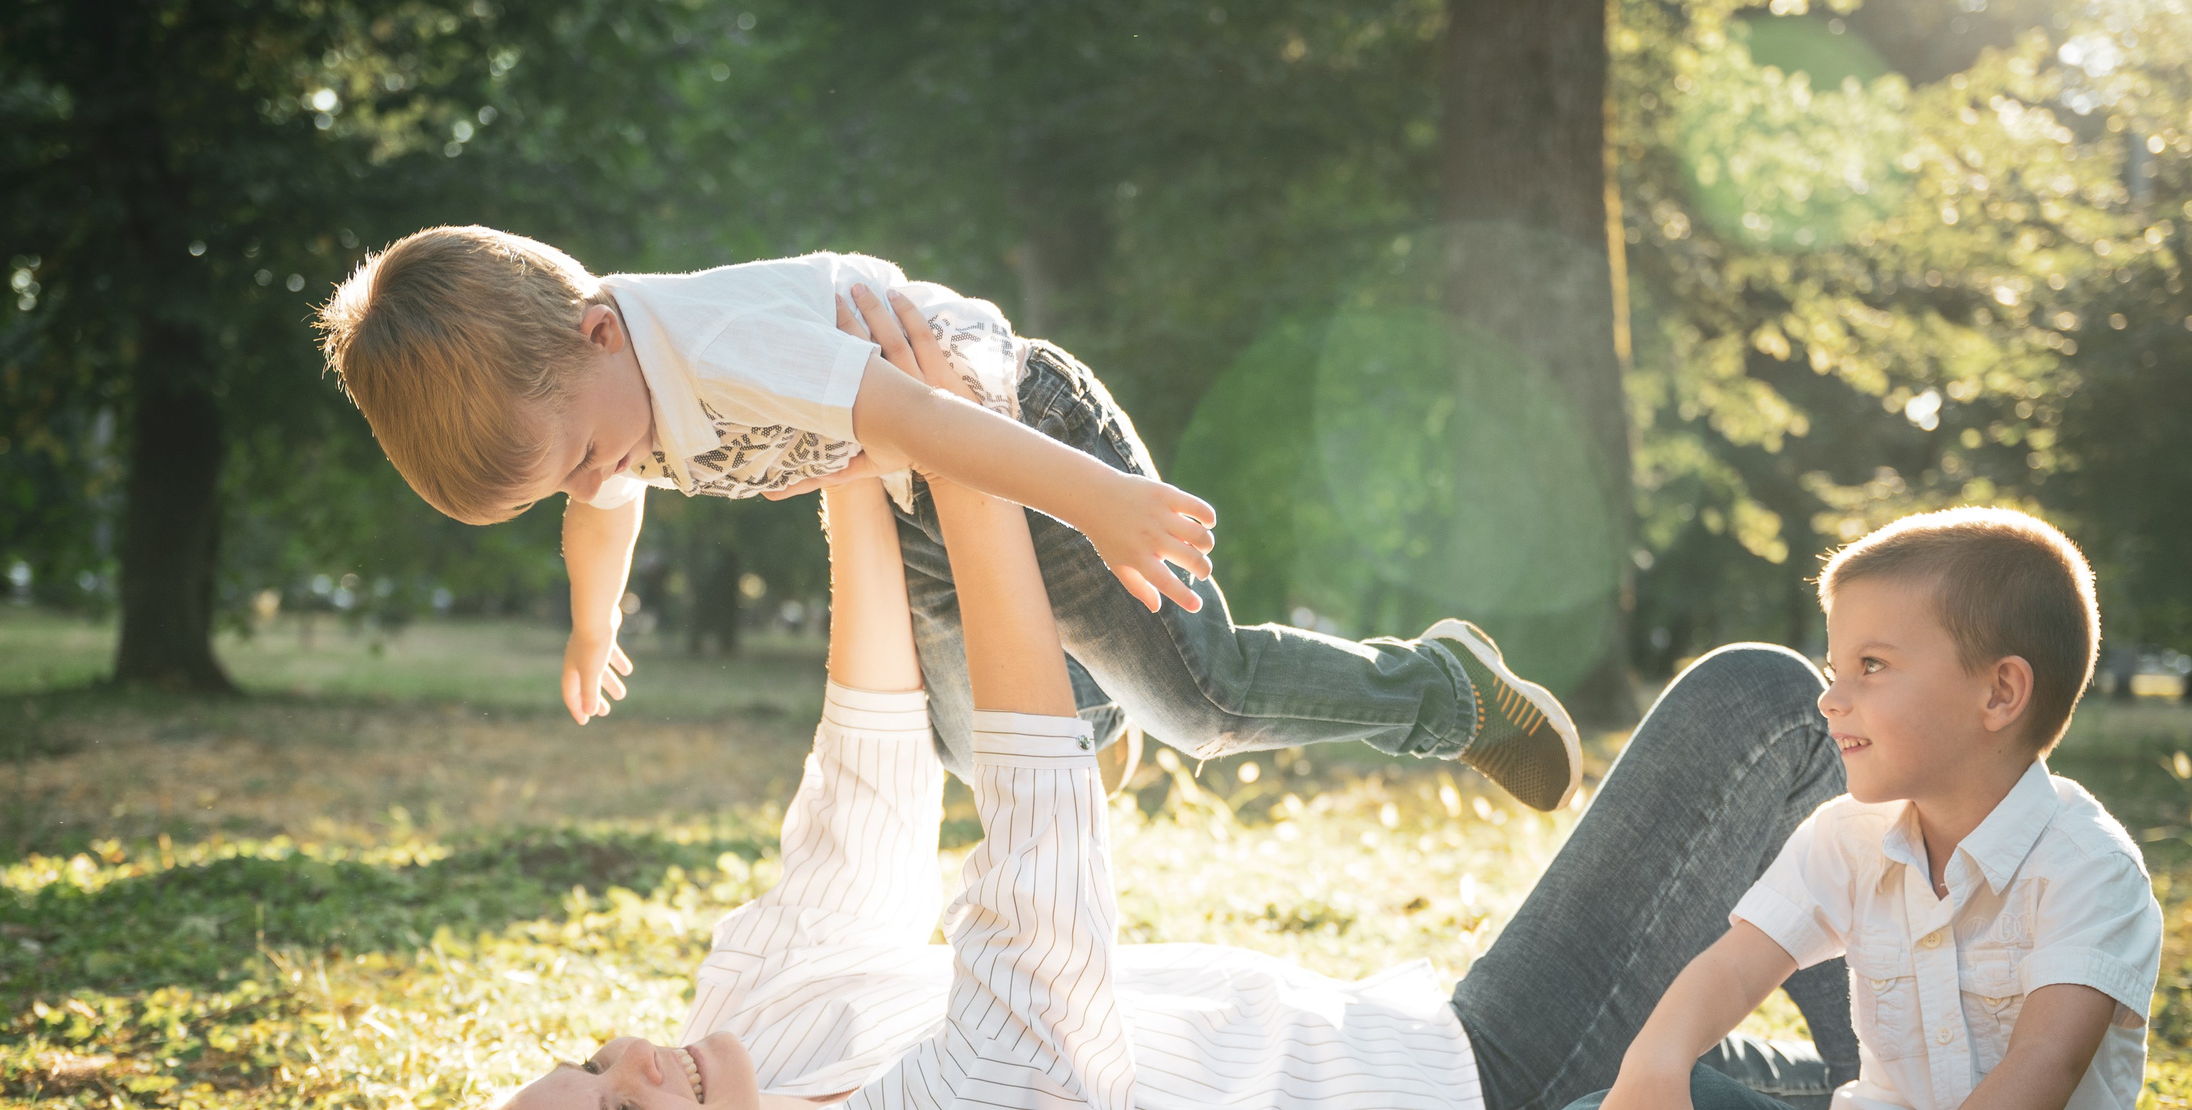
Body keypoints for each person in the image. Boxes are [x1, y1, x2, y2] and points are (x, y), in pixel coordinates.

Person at [350, 308, 1855, 1110]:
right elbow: (1039, 821)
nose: (638, 1058)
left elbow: (872, 765)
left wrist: (847, 458)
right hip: (1489, 1108)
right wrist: (961, 440)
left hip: (1414, 1033)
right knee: (1767, 704)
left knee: (1814, 1104)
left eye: (590, 1060)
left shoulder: (757, 1030)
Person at [1200, 509, 2180, 1110]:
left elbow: (2042, 1066)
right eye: (1834, 666)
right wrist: (1656, 1066)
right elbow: (1735, 959)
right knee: (1684, 1097)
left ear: (1998, 692)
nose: (1830, 697)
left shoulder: (2085, 864)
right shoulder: (1848, 836)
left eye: (1871, 667)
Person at [313, 225, 1580, 812]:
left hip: (1017, 433)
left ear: (598, 331)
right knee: (985, 750)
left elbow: (929, 422)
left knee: (1205, 702)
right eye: (557, 485)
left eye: (580, 456)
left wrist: (1104, 502)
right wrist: (593, 623)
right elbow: (602, 509)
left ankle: (1445, 692)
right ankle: (1087, 720)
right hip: (922, 484)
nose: (593, 485)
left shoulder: (724, 347)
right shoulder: (609, 403)